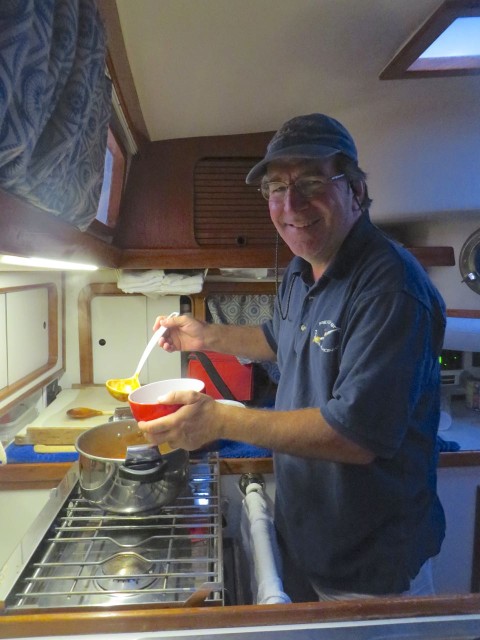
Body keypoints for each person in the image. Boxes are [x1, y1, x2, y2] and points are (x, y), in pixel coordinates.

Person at [138, 113, 446, 602]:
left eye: (311, 182)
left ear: (356, 190)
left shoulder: (391, 288)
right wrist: (206, 336)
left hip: (372, 564)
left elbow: (355, 436)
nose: (291, 204)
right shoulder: (303, 269)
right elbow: (280, 338)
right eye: (276, 188)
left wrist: (220, 420)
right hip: (309, 537)